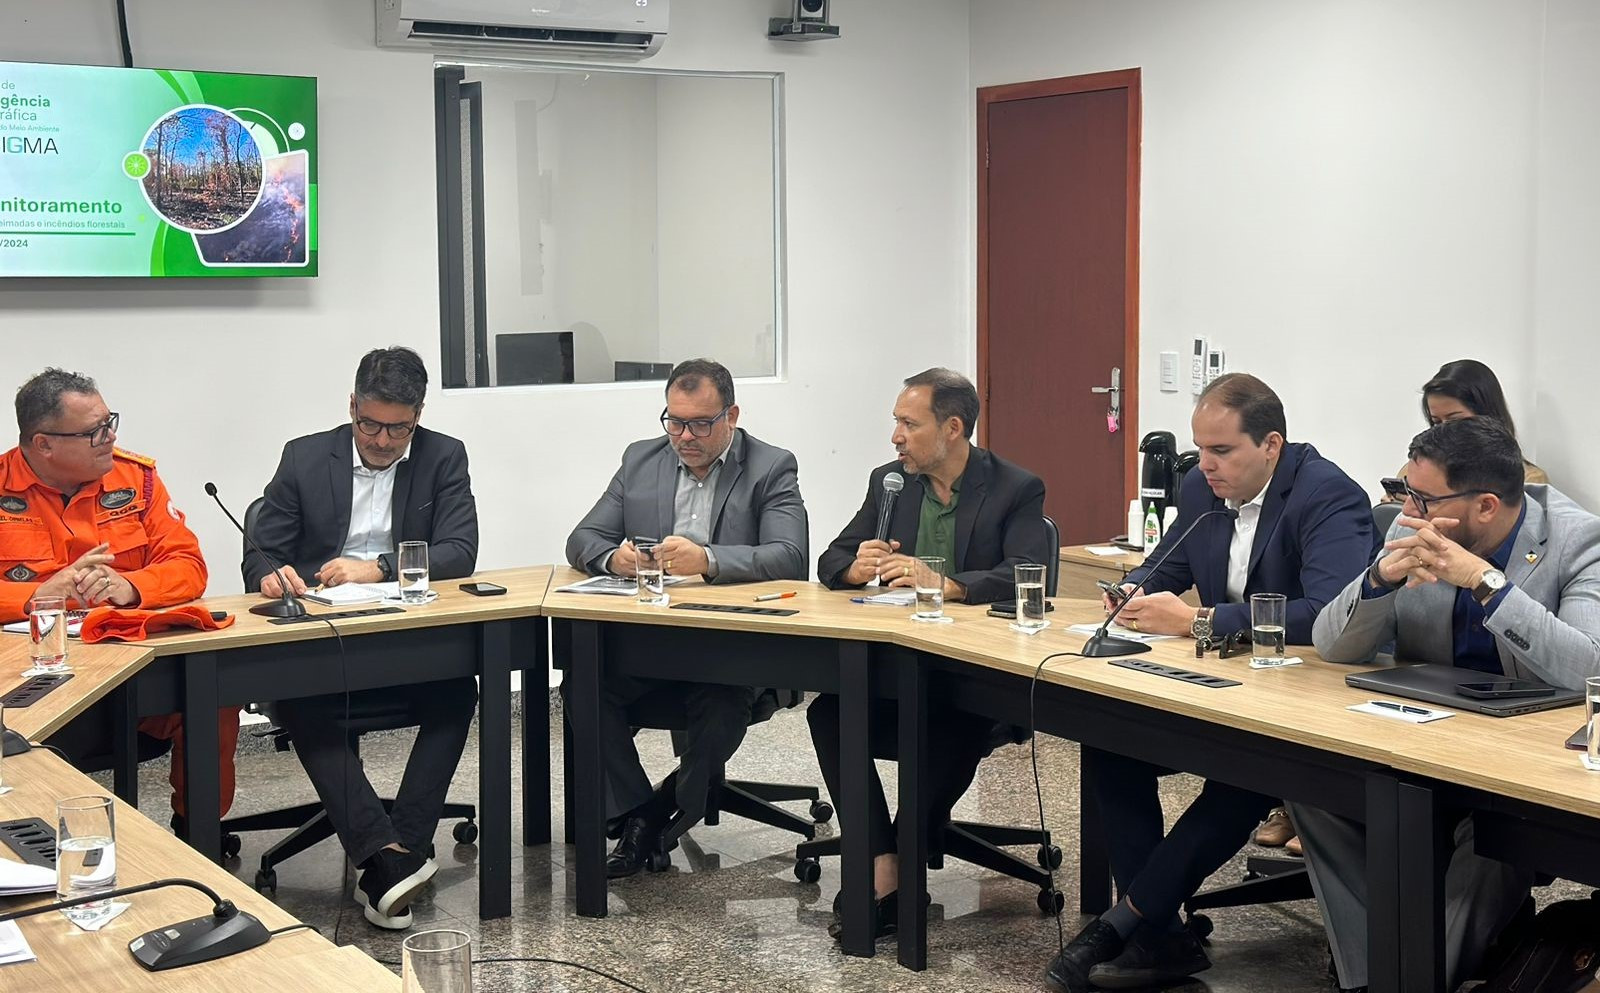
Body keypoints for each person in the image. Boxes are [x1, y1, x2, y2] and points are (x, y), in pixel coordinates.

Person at [1047, 373, 1375, 992]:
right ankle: (1160, 936)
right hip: (1226, 680)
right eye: (1200, 449)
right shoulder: (1202, 487)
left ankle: (1127, 923)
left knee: (1244, 772)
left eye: (1222, 450)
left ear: (1271, 445)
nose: (1205, 464)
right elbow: (1167, 562)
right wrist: (1134, 588)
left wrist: (1201, 620)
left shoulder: (1328, 495)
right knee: (1112, 742)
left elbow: (1330, 615)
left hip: (1311, 695)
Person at [1291, 416, 1600, 993]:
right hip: (1423, 734)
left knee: (1494, 834)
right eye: (1405, 491)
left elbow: (1589, 667)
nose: (1408, 510)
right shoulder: (1413, 526)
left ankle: (1408, 980)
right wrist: (1379, 581)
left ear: (1485, 506)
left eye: (1424, 499)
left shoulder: (1579, 541)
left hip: (1518, 757)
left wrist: (1486, 581)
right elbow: (1332, 645)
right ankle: (1374, 976)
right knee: (1312, 785)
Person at [246, 347, 480, 930]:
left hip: (403, 639)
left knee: (458, 691)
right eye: (369, 424)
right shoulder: (304, 457)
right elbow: (261, 550)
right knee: (303, 701)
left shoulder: (443, 456)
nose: (381, 440)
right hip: (322, 644)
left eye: (398, 428)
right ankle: (386, 858)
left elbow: (459, 552)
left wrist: (378, 567)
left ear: (418, 415)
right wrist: (271, 575)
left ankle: (399, 849)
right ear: (352, 406)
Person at [811, 367, 1047, 940]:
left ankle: (893, 868)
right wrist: (855, 568)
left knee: (950, 724)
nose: (896, 436)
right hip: (901, 667)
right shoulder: (890, 483)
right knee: (830, 712)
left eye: (909, 424)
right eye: (896, 422)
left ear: (953, 428)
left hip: (975, 679)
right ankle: (884, 861)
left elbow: (1028, 572)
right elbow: (831, 560)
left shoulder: (1016, 488)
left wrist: (951, 585)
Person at [565, 358, 808, 878]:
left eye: (700, 423)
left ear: (731, 417)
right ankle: (637, 810)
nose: (685, 436)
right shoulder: (641, 460)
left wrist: (709, 559)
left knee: (721, 702)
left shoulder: (771, 466)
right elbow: (582, 538)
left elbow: (790, 556)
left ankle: (658, 811)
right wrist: (613, 559)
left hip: (733, 649)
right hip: (654, 644)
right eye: (674, 422)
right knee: (583, 683)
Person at [0, 369, 231, 824]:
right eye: (94, 431)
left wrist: (132, 587)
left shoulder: (137, 479)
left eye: (110, 422)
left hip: (128, 666)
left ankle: (199, 835)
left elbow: (189, 565)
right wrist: (36, 596)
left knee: (212, 695)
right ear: (43, 444)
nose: (110, 437)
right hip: (29, 677)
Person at [1380, 359, 1547, 502]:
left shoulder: (1529, 481)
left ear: (1486, 415)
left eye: (1455, 420)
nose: (1445, 431)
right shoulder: (1415, 471)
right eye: (1436, 422)